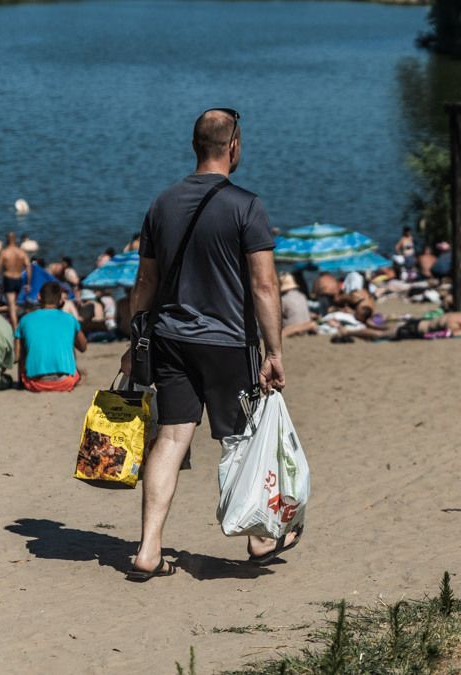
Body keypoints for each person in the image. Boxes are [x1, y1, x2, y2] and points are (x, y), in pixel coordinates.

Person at [121, 107, 292, 581]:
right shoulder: (246, 205)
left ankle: (148, 550)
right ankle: (259, 538)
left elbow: (145, 281)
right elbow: (264, 286)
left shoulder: (161, 203)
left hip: (169, 338)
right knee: (241, 439)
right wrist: (274, 353)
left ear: (196, 146)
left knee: (172, 438)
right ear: (233, 147)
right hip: (227, 342)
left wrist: (137, 338)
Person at [15, 281, 87, 392]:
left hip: (35, 383)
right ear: (60, 300)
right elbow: (83, 347)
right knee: (71, 347)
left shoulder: (25, 319)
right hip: (65, 382)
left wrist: (20, 382)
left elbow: (18, 355)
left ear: (39, 297)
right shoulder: (69, 319)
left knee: (26, 346)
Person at [0, 232, 32, 327]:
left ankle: (15, 329)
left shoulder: (4, 252)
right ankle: (16, 323)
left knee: (11, 306)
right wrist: (28, 283)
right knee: (14, 304)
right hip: (18, 279)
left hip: (9, 278)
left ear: (7, 239)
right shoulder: (21, 252)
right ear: (15, 239)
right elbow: (28, 267)